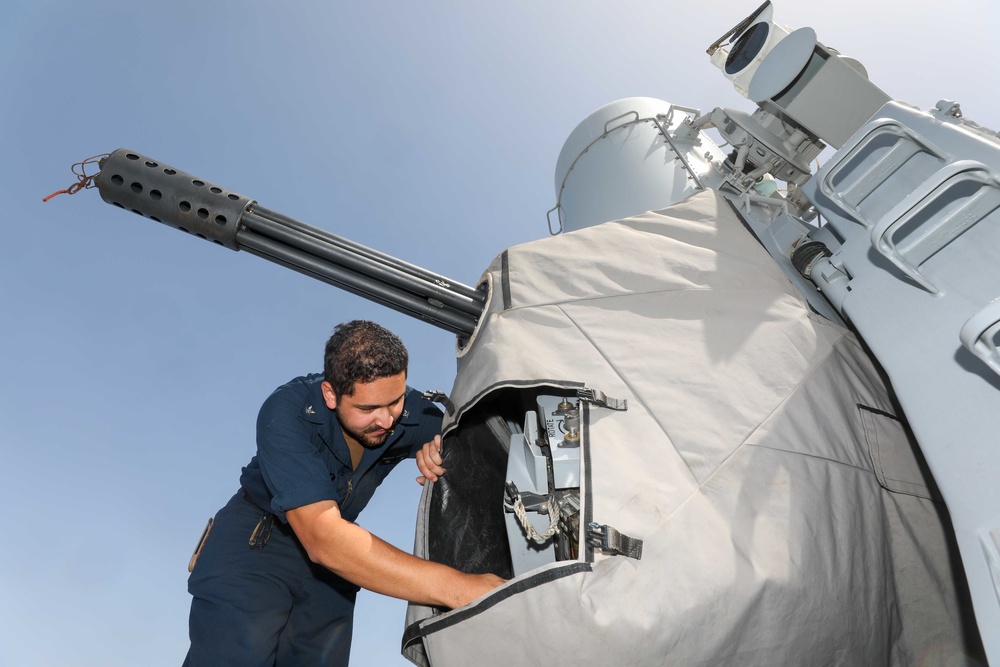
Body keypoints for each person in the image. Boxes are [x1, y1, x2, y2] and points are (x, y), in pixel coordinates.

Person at [184, 320, 504, 666]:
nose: (387, 420)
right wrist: (459, 587)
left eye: (395, 400)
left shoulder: (408, 410)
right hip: (258, 543)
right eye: (367, 409)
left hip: (332, 568)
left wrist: (443, 448)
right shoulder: (286, 412)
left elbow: (473, 442)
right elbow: (324, 538)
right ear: (330, 395)